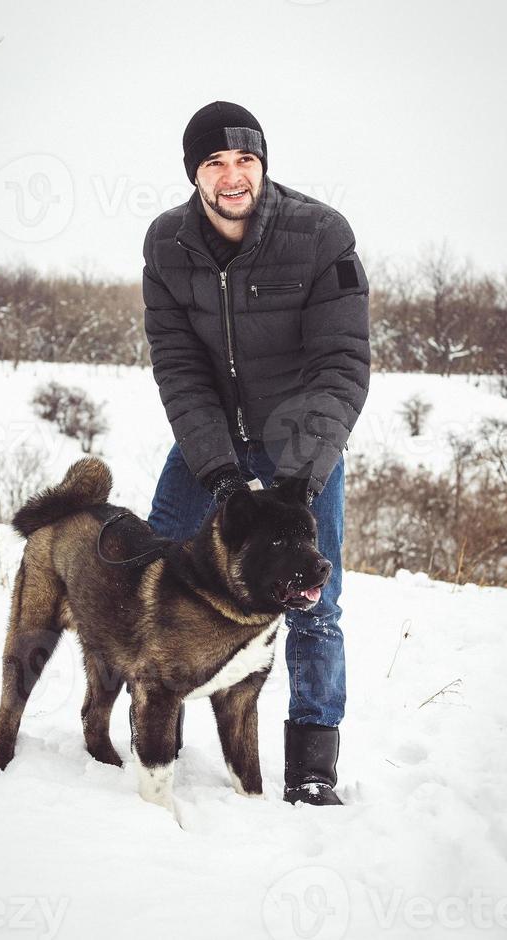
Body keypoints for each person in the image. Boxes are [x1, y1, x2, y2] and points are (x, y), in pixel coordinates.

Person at [141, 100, 370, 805]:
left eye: (245, 159)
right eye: (214, 163)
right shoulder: (166, 245)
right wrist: (219, 473)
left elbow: (342, 362)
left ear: (263, 164)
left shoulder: (320, 234)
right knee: (159, 565)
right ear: (196, 175)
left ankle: (310, 764)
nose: (232, 175)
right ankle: (157, 721)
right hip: (213, 439)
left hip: (302, 441)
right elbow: (178, 368)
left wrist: (300, 476)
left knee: (314, 596)